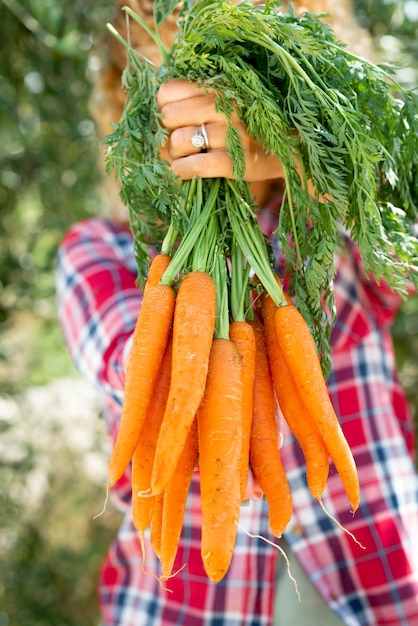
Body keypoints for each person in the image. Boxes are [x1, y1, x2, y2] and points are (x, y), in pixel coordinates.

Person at [56, 0, 418, 624]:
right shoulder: (100, 251)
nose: (211, 99)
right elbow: (133, 368)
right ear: (132, 101)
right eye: (179, 75)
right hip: (186, 605)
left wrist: (305, 161)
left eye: (233, 76)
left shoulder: (339, 220)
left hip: (384, 584)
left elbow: (400, 251)